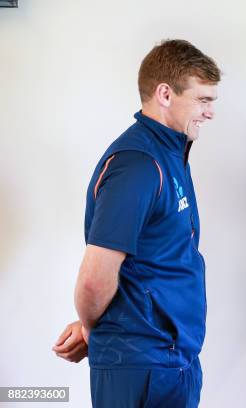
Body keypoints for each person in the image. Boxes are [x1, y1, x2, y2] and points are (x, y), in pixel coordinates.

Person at [51, 39, 220, 407]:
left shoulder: (169, 154)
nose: (210, 113)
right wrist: (99, 332)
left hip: (171, 362)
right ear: (165, 94)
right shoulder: (138, 164)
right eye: (203, 100)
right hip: (144, 365)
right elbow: (95, 277)